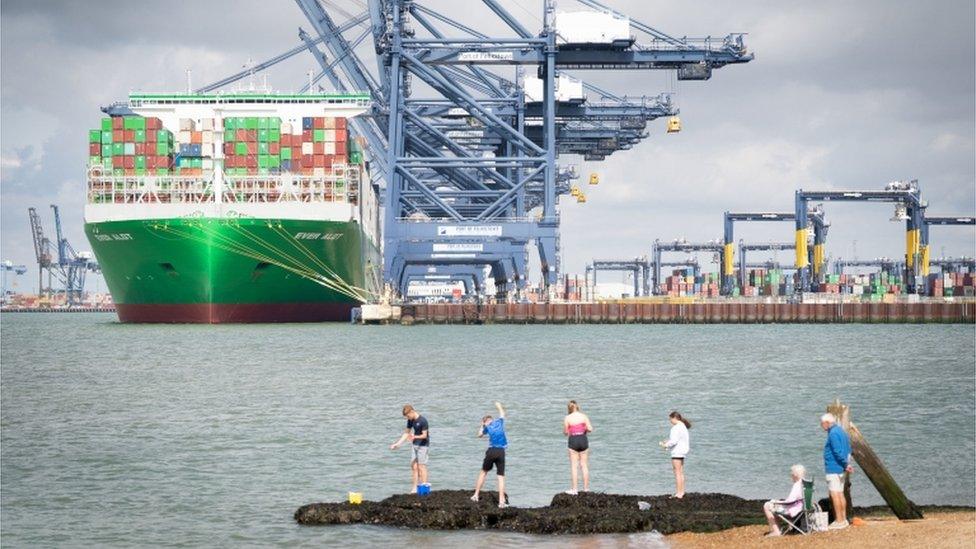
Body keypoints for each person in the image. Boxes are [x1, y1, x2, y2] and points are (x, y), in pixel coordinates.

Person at [471, 401, 508, 508]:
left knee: (483, 472)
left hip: (492, 451)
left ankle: (476, 495)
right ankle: (501, 502)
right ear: (492, 419)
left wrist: (482, 425)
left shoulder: (487, 427)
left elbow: (479, 435)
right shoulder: (499, 422)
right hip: (501, 452)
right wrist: (499, 406)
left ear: (486, 421)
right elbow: (502, 413)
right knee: (500, 477)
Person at [821, 413, 854, 529]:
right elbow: (848, 448)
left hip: (834, 467)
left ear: (827, 423)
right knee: (840, 493)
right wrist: (847, 464)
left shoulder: (833, 434)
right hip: (842, 467)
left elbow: (837, 451)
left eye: (822, 424)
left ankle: (839, 521)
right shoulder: (841, 431)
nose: (821, 426)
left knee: (835, 494)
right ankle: (843, 519)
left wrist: (845, 464)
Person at [389, 404, 429, 494]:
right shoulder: (410, 420)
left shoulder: (423, 420)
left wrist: (414, 436)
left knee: (421, 466)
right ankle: (414, 488)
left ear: (412, 412)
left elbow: (424, 435)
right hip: (414, 445)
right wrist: (397, 444)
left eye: (408, 416)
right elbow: (406, 433)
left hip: (423, 445)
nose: (407, 418)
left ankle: (424, 488)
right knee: (414, 467)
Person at [762, 464, 806, 537]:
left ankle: (776, 531)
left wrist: (776, 502)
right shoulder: (805, 483)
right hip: (801, 508)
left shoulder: (797, 485)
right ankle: (778, 529)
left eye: (792, 473)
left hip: (794, 510)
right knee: (774, 504)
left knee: (767, 505)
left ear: (795, 475)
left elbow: (789, 502)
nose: (791, 475)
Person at [563, 400, 593, 495]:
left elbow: (565, 432)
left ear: (569, 408)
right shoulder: (584, 416)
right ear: (577, 407)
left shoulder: (567, 418)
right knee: (584, 465)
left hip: (573, 441)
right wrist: (583, 428)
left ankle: (574, 489)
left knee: (574, 466)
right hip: (583, 440)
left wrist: (571, 429)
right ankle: (586, 489)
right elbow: (590, 429)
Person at [659, 411, 691, 498]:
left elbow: (674, 441)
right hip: (683, 451)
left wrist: (665, 445)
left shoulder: (676, 428)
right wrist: (668, 442)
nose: (670, 421)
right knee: (680, 472)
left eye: (670, 419)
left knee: (677, 472)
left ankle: (679, 493)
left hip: (677, 452)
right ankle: (681, 492)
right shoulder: (683, 426)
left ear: (674, 418)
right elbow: (677, 440)